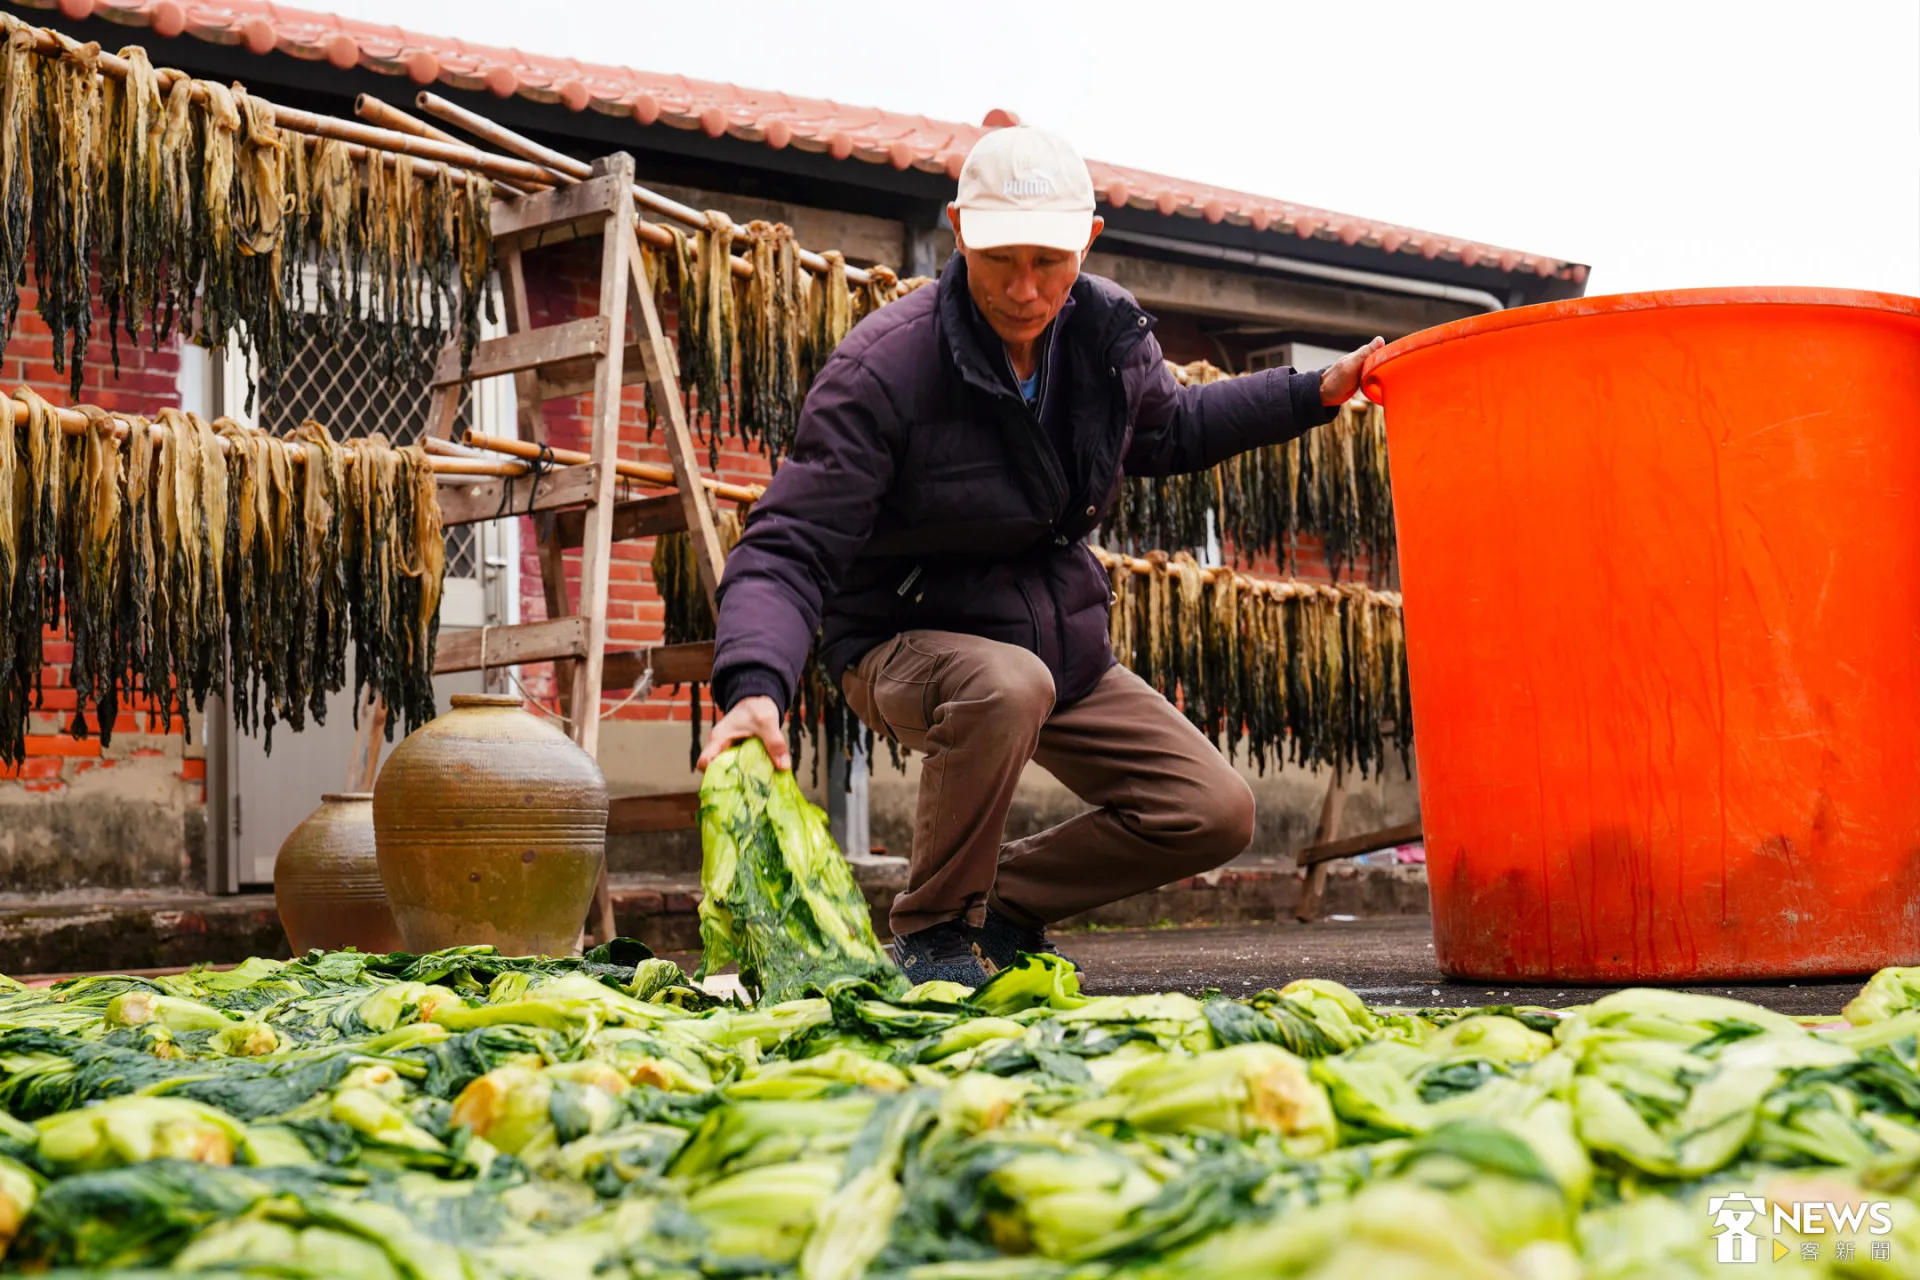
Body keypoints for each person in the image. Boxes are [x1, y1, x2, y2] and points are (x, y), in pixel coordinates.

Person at [698, 124, 1382, 985]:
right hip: (900, 639)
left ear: (1087, 243)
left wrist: (1312, 392)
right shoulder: (885, 370)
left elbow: (1174, 427)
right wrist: (755, 686)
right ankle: (935, 932)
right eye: (1000, 261)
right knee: (1004, 683)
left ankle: (1003, 903)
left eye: (1050, 263)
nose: (1025, 290)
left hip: (1050, 636)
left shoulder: (1105, 334)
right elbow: (789, 544)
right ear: (959, 233)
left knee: (1212, 812)